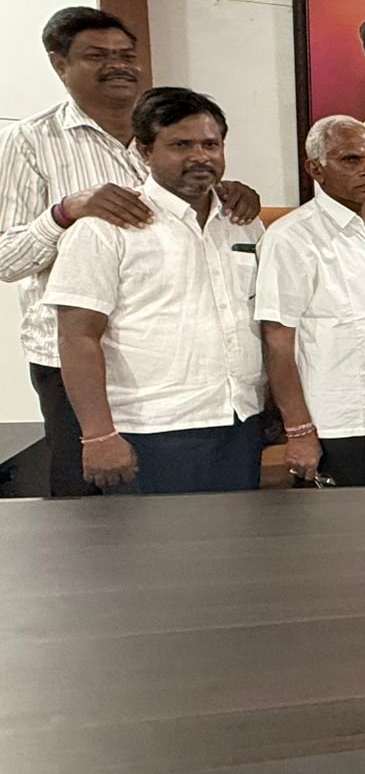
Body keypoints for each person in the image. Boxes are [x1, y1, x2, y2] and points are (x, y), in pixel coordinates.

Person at [0, 7, 259, 497]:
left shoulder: (167, 121)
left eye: (125, 54)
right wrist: (66, 211)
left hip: (192, 380)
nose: (117, 65)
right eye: (97, 55)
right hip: (71, 353)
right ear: (59, 63)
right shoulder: (30, 140)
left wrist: (230, 193)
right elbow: (6, 259)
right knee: (92, 507)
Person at [44, 87, 265, 495]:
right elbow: (77, 337)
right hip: (150, 430)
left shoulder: (243, 222)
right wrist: (98, 435)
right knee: (153, 539)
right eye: (181, 145)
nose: (200, 156)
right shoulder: (105, 227)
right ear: (145, 151)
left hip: (239, 421)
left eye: (210, 144)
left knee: (238, 537)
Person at [255, 116, 365, 487]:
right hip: (332, 422)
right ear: (315, 169)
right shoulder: (291, 238)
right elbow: (277, 340)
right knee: (331, 523)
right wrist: (299, 430)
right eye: (351, 160)